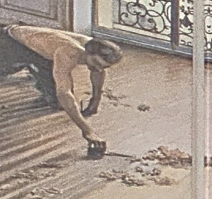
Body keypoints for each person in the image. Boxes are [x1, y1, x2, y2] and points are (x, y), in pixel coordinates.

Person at [0, 24, 124, 158]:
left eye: (104, 66)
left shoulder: (93, 47)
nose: (99, 68)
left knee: (56, 101)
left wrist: (95, 101)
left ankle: (34, 68)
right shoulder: (69, 53)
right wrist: (88, 131)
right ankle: (27, 66)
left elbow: (98, 71)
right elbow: (64, 93)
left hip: (43, 52)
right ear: (87, 53)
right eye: (96, 63)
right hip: (10, 41)